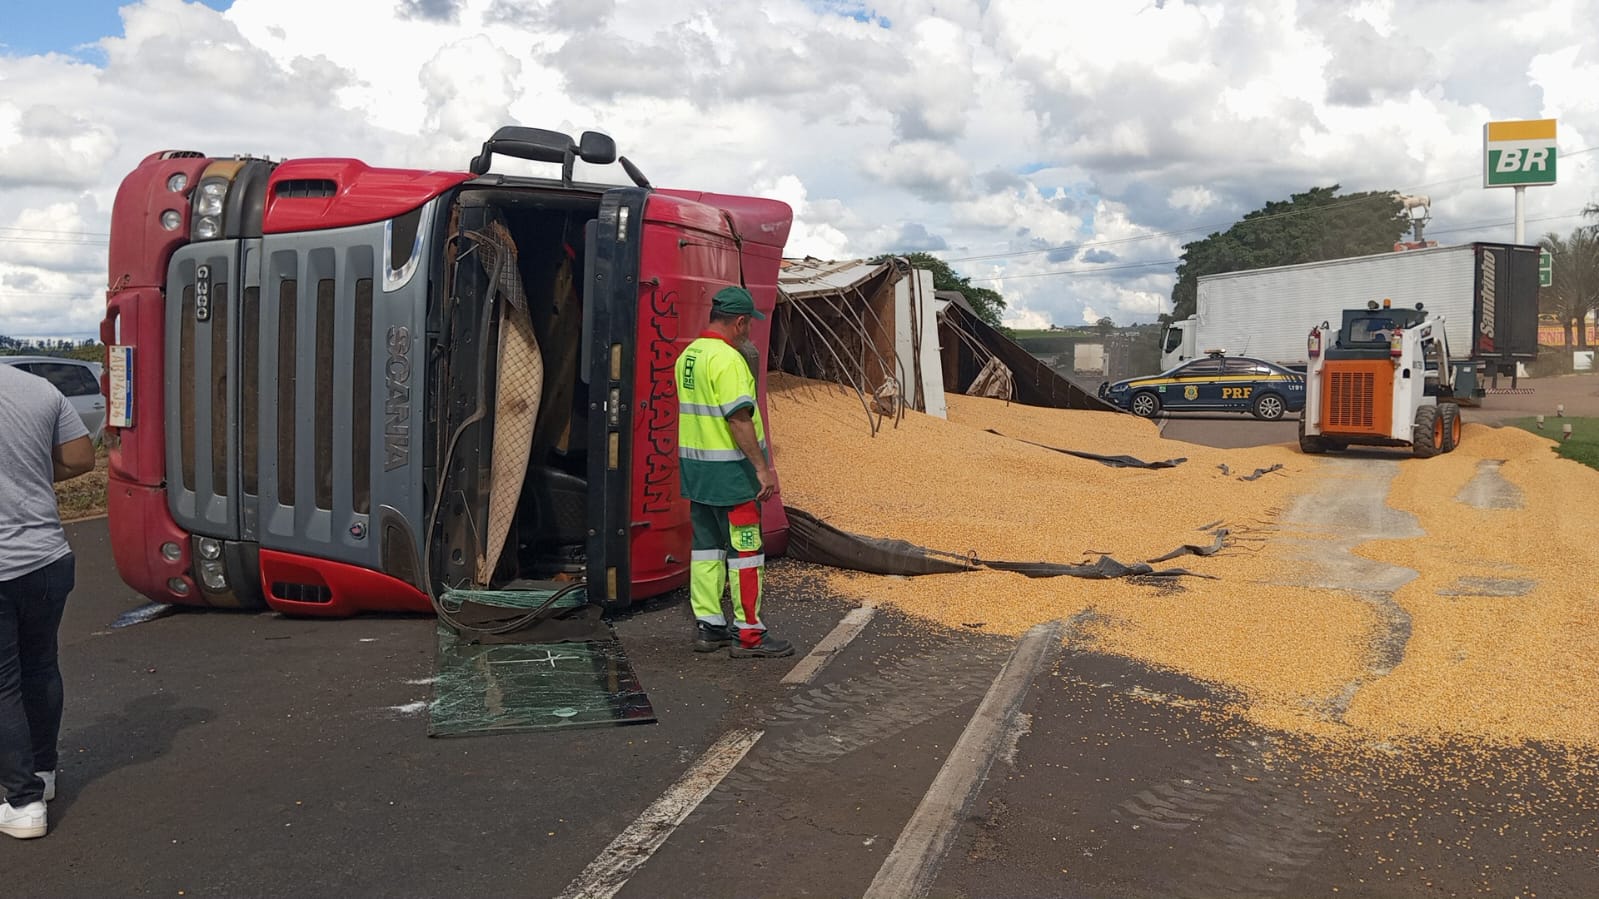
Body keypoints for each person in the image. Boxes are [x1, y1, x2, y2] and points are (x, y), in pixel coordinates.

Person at [0, 362, 94, 839]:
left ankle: (22, 801)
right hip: (47, 557)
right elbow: (81, 458)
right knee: (40, 666)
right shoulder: (39, 388)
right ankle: (43, 772)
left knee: (3, 684)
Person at [675, 286, 794, 659]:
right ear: (740, 322)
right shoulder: (728, 360)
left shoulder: (689, 355)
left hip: (697, 472)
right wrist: (762, 469)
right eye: (748, 325)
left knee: (706, 549)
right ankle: (749, 634)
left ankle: (710, 626)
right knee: (745, 553)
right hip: (732, 475)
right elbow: (739, 419)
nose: (749, 332)